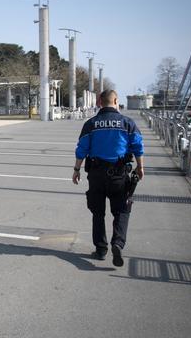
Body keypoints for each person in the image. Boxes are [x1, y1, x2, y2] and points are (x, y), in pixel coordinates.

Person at [72, 89, 144, 267]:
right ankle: (118, 243)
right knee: (121, 210)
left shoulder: (91, 123)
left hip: (96, 174)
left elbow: (82, 148)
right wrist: (140, 167)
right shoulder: (127, 123)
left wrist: (76, 169)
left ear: (99, 102)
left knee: (98, 213)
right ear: (116, 101)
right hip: (119, 174)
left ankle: (101, 249)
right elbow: (137, 146)